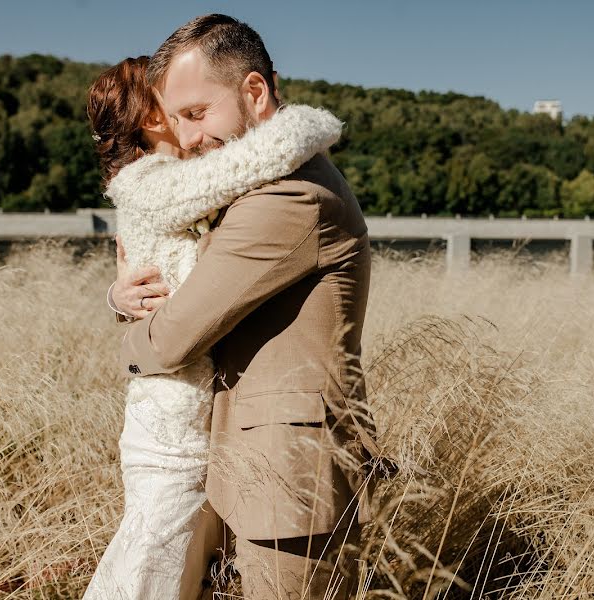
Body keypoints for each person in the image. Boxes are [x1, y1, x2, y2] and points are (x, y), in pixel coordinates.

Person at [110, 14, 380, 599]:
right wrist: (119, 291)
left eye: (195, 114)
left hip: (290, 477)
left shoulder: (289, 197)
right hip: (260, 468)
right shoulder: (263, 182)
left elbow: (173, 337)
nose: (184, 140)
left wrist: (129, 342)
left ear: (254, 92)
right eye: (175, 120)